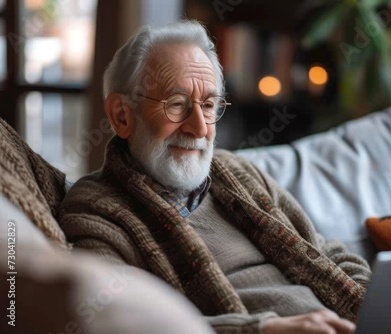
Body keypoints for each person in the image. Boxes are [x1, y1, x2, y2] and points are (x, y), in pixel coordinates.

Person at [59, 20, 371, 334]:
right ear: (122, 115)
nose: (199, 127)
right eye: (177, 104)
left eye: (208, 105)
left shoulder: (239, 173)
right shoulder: (97, 210)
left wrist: (372, 301)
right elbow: (122, 323)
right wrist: (262, 329)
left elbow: (326, 251)